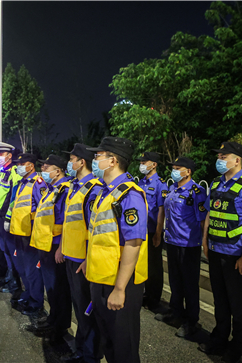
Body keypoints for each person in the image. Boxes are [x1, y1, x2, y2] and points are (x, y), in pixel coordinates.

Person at [81, 137, 148, 363]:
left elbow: (133, 244)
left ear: (113, 161)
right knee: (108, 342)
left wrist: (120, 289)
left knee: (123, 348)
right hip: (101, 278)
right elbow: (100, 237)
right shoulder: (105, 193)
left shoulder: (130, 196)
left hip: (120, 282)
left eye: (98, 156)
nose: (94, 159)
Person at [199, 142, 242, 363]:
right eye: (220, 156)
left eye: (225, 156)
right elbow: (209, 215)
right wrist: (205, 243)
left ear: (237, 160)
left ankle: (238, 345)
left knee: (238, 304)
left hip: (235, 254)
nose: (220, 159)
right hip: (215, 251)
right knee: (220, 300)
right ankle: (219, 339)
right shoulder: (216, 183)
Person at [155, 156, 207, 338]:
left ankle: (191, 322)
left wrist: (205, 243)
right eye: (174, 168)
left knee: (189, 285)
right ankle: (175, 313)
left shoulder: (196, 192)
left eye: (178, 168)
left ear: (188, 171)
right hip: (172, 242)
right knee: (175, 281)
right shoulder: (172, 190)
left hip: (189, 245)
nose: (174, 171)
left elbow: (202, 221)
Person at [60, 143, 103, 363]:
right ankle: (81, 349)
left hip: (82, 261)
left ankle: (89, 355)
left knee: (87, 312)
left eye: (72, 159)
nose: (69, 163)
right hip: (70, 255)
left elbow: (94, 229)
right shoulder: (75, 186)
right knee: (79, 308)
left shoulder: (93, 190)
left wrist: (87, 258)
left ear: (81, 162)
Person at [29, 154, 72, 340]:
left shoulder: (64, 189)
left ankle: (60, 326)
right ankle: (53, 318)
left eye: (46, 168)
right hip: (46, 244)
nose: (43, 171)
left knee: (59, 289)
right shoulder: (51, 189)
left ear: (58, 170)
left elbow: (66, 221)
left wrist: (61, 247)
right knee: (52, 289)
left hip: (55, 247)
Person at [7, 153, 47, 317]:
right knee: (23, 269)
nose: (18, 166)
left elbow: (43, 209)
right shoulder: (23, 183)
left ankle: (36, 303)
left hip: (30, 235)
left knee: (32, 271)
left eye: (22, 163)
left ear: (31, 166)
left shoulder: (38, 184)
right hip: (19, 234)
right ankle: (29, 295)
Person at [0, 142, 22, 293]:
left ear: (9, 155)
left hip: (6, 218)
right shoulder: (0, 173)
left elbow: (13, 199)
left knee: (10, 251)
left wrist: (7, 218)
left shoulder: (13, 174)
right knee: (3, 249)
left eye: (1, 154)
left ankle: (15, 282)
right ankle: (8, 276)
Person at [136, 152, 168, 313]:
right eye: (141, 161)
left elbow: (161, 210)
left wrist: (158, 232)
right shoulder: (141, 182)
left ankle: (154, 299)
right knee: (143, 264)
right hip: (141, 230)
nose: (142, 164)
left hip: (152, 230)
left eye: (144, 161)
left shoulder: (160, 184)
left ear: (154, 164)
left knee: (154, 267)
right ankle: (146, 294)